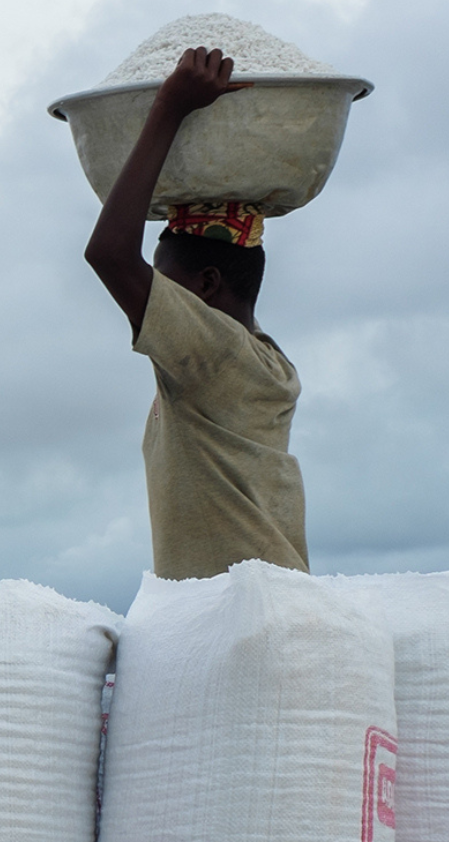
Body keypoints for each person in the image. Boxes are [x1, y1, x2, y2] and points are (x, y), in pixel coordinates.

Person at [84, 46, 309, 582]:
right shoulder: (254, 362)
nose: (150, 292)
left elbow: (109, 254)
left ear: (207, 285)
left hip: (241, 618)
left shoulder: (217, 352)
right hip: (252, 610)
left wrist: (170, 108)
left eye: (164, 281)